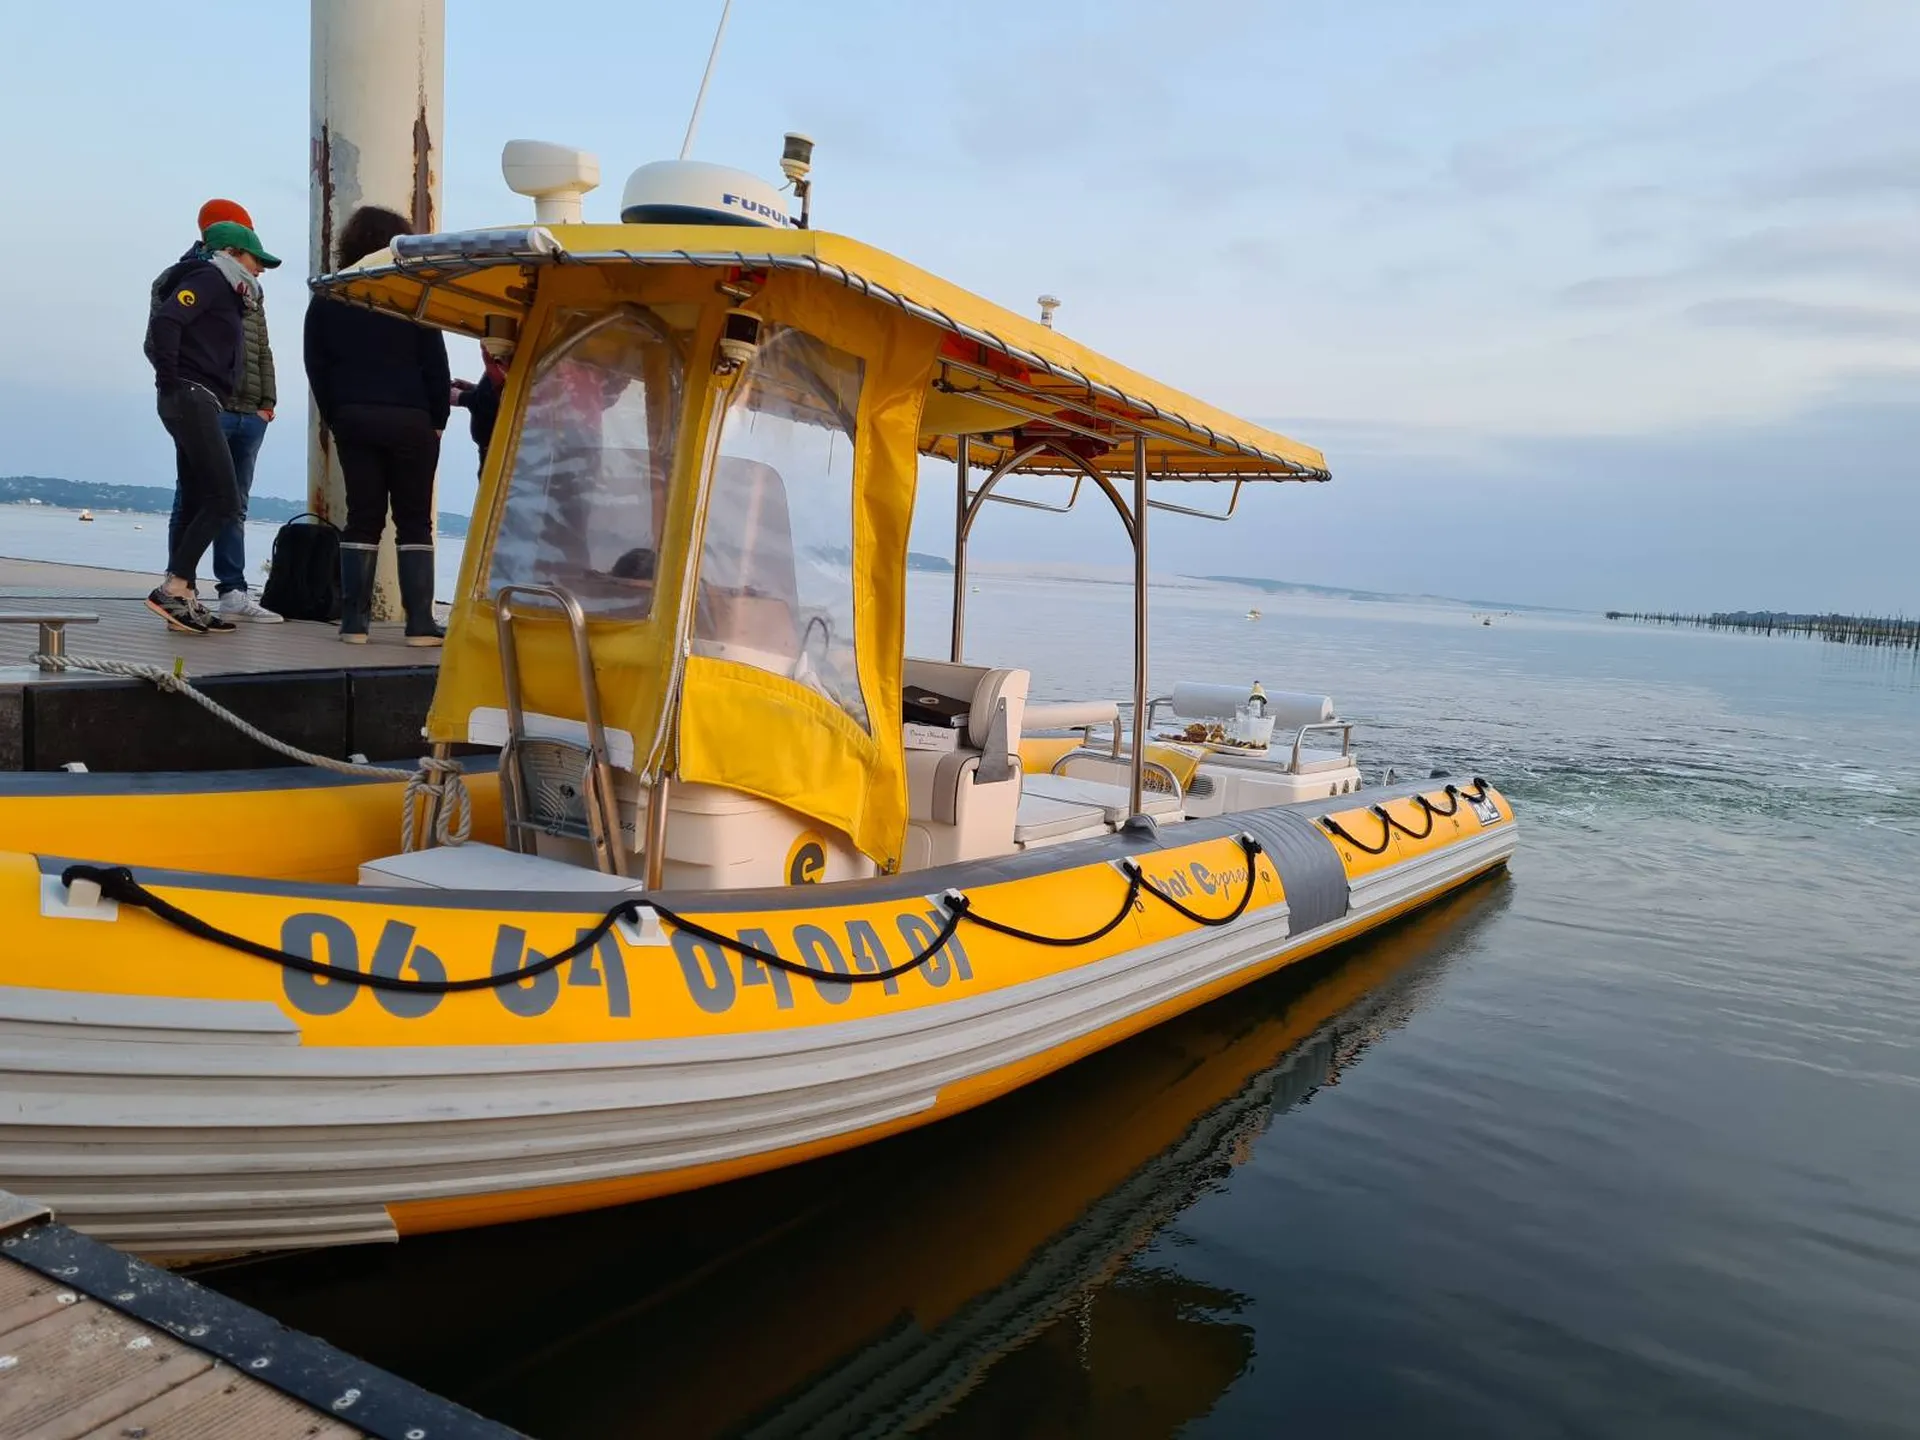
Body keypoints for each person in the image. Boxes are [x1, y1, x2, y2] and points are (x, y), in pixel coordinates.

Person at [303, 205, 451, 646]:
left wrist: (335, 414)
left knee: (363, 519)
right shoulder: (410, 293)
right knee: (414, 521)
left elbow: (317, 365)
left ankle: (354, 624)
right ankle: (420, 623)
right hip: (411, 418)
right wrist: (437, 419)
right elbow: (434, 365)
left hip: (354, 416)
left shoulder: (331, 295)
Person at [143, 220, 282, 633]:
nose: (260, 270)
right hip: (191, 396)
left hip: (197, 397)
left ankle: (183, 598)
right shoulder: (210, 278)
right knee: (224, 498)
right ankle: (174, 587)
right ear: (234, 254)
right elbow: (167, 321)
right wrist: (169, 379)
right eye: (258, 261)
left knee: (197, 498)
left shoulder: (231, 293)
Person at [450, 338, 511, 475]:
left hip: (498, 458)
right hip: (491, 453)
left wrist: (462, 397)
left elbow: (493, 403)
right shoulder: (497, 375)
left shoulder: (509, 373)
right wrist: (472, 389)